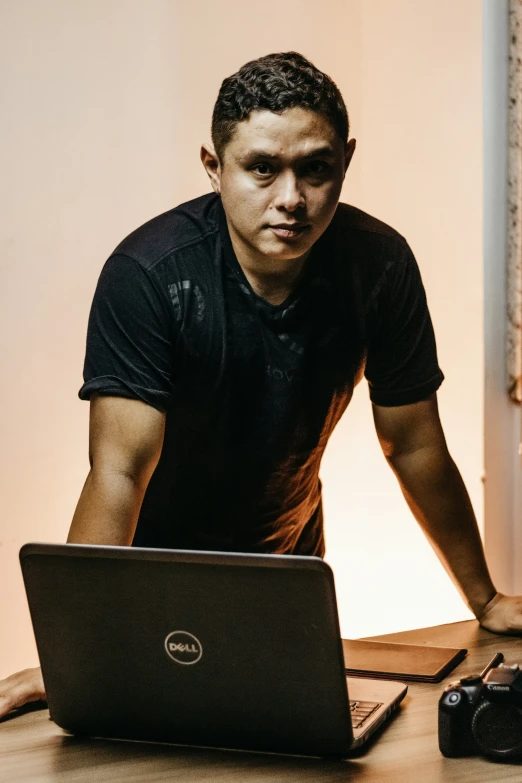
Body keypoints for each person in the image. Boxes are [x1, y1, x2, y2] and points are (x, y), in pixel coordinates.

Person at [1, 51, 522, 720]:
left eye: (315, 168)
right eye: (262, 168)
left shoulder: (379, 265)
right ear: (213, 166)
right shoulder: (150, 275)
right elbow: (119, 473)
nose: (291, 199)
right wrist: (71, 651)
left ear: (346, 161)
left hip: (287, 578)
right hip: (153, 585)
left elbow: (414, 443)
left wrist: (483, 597)